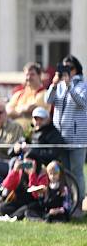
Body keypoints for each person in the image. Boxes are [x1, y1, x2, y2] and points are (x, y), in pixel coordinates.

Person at [46, 55, 86, 213]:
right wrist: (54, 84)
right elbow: (48, 100)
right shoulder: (60, 85)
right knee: (64, 173)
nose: (65, 71)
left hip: (77, 137)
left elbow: (81, 102)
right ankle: (67, 203)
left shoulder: (83, 84)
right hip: (60, 136)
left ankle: (79, 205)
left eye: (68, 68)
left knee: (77, 172)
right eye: (63, 67)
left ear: (76, 69)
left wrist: (69, 85)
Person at [6, 62, 47, 134]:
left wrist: (16, 110)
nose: (28, 77)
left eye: (32, 74)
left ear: (39, 75)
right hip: (15, 134)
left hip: (32, 136)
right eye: (27, 75)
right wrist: (23, 112)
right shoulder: (19, 94)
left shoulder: (44, 93)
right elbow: (8, 110)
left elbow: (31, 108)